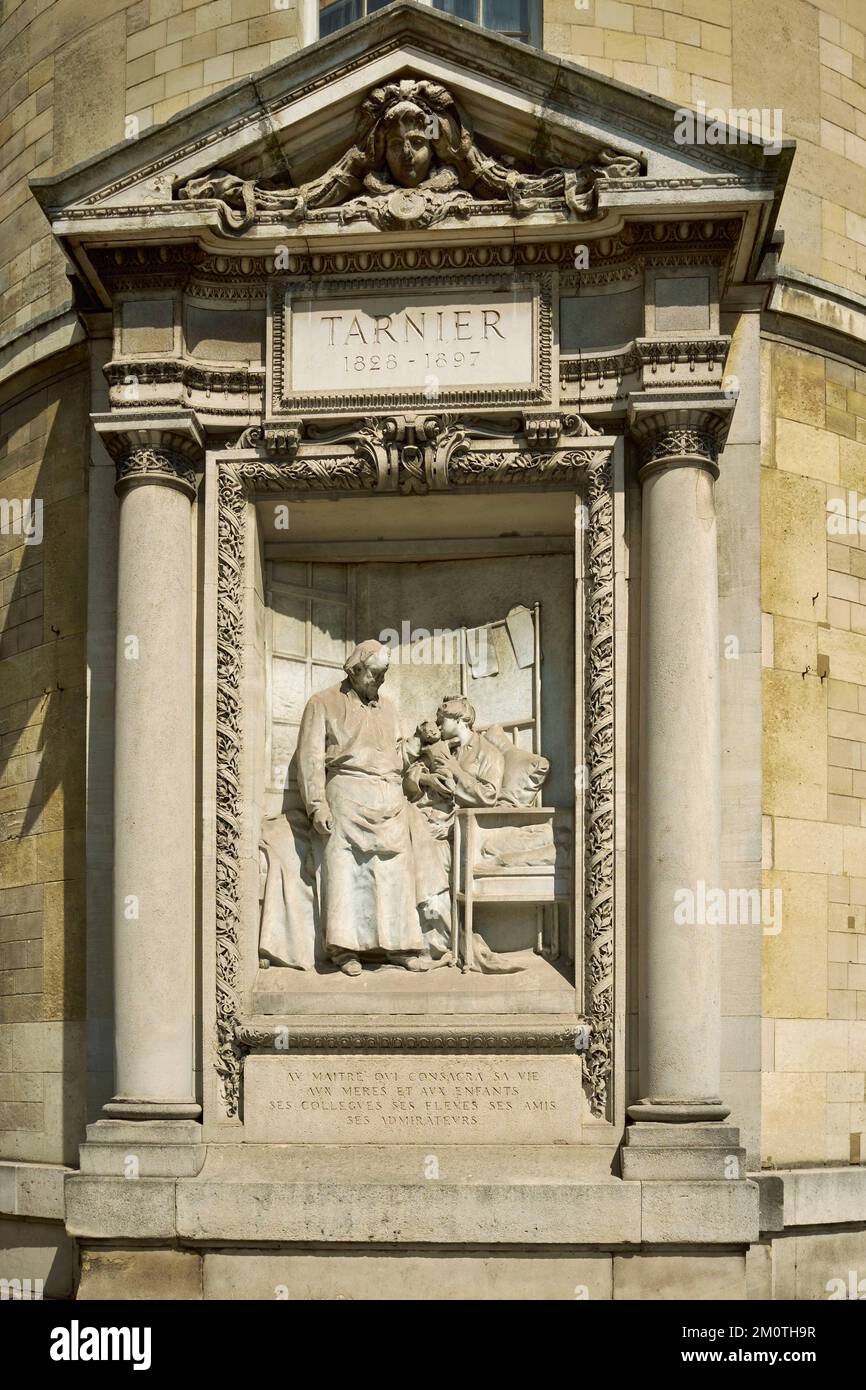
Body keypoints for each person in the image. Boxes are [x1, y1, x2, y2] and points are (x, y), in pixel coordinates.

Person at [296, 639, 430, 976]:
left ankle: (398, 946)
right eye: (374, 674)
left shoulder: (390, 709)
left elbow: (397, 757)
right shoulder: (322, 703)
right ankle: (345, 949)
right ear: (355, 669)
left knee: (394, 873)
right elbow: (310, 759)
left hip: (388, 797)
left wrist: (416, 747)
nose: (379, 682)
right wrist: (317, 806)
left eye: (384, 675)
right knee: (344, 870)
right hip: (347, 795)